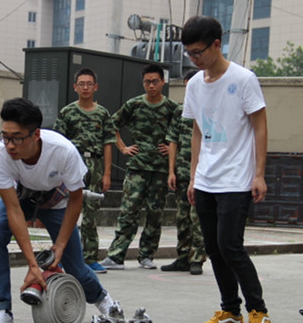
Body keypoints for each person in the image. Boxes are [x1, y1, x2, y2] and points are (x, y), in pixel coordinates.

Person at [0, 97, 116, 323]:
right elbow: (13, 209)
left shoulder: (63, 151)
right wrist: (33, 265)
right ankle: (1, 311)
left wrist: (60, 246)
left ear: (36, 135)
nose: (10, 145)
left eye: (17, 138)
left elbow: (76, 199)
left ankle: (104, 300)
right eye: (5, 136)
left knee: (75, 266)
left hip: (56, 200)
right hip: (21, 197)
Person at [181, 16, 271, 323]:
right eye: (189, 53)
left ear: (217, 44)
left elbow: (260, 126)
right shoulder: (194, 84)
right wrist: (193, 177)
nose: (194, 58)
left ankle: (258, 310)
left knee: (230, 245)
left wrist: (259, 174)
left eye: (198, 52)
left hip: (236, 178)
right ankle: (231, 311)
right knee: (213, 248)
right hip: (206, 178)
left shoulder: (243, 79)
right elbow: (197, 132)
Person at [100, 64, 178, 270]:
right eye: (147, 82)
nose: (151, 86)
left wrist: (171, 149)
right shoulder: (134, 105)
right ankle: (116, 256)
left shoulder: (172, 108)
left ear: (163, 82)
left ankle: (146, 255)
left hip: (160, 170)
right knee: (128, 211)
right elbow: (112, 124)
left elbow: (180, 134)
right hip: (137, 168)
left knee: (155, 213)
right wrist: (123, 148)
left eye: (155, 82)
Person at [53, 68, 115, 274]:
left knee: (91, 213)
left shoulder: (103, 113)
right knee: (67, 211)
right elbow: (59, 143)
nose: (85, 87)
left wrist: (107, 174)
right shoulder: (67, 112)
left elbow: (108, 143)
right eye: (82, 84)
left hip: (95, 165)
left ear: (95, 87)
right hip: (72, 164)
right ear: (75, 87)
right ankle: (63, 258)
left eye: (89, 84)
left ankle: (90, 258)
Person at [161, 70, 207, 275]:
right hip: (181, 171)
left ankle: (197, 258)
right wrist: (171, 171)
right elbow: (172, 141)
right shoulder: (180, 111)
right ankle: (182, 257)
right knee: (182, 217)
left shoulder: (209, 108)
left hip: (202, 173)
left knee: (197, 217)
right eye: (187, 86)